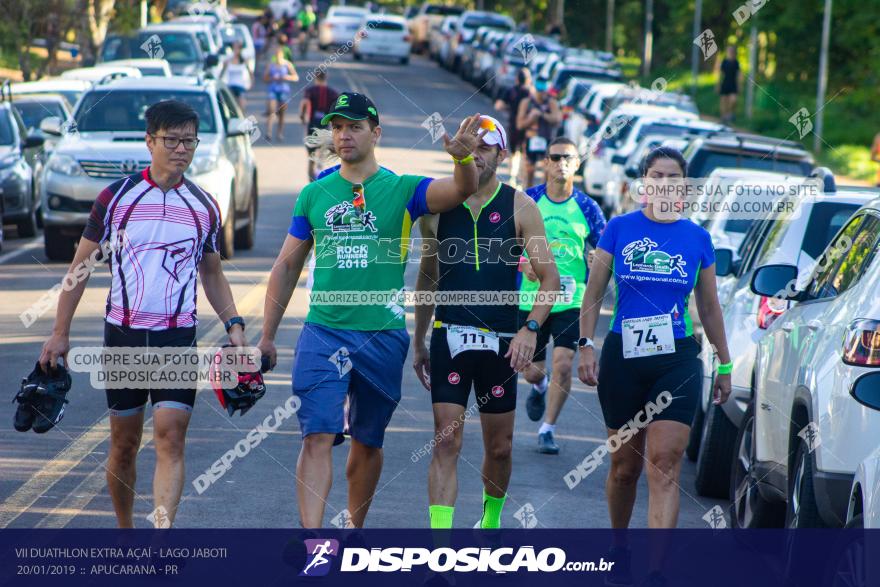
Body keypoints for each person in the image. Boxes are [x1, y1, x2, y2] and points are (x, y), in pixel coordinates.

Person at [257, 93, 486, 528]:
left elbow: (462, 190)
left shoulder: (403, 190)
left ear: (375, 133)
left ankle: (354, 532)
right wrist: (266, 337)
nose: (344, 135)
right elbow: (286, 268)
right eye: (338, 126)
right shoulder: (314, 193)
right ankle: (314, 542)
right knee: (318, 434)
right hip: (324, 331)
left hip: (382, 336)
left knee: (367, 442)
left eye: (355, 126)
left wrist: (462, 160)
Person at [37, 100, 246, 528]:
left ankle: (161, 539)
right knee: (125, 443)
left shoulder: (204, 205)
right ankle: (126, 531)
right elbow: (79, 268)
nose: (182, 149)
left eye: (189, 140)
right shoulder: (116, 198)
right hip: (125, 336)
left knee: (170, 438)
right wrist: (60, 332)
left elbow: (211, 272)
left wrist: (235, 325)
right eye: (172, 140)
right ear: (150, 141)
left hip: (177, 338)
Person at [577, 147, 731, 584]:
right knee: (625, 467)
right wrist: (585, 345)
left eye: (674, 177)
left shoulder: (697, 238)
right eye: (657, 175)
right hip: (625, 356)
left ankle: (657, 571)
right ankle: (619, 548)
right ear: (645, 182)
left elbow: (711, 307)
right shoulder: (620, 229)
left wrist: (724, 363)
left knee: (664, 462)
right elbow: (593, 293)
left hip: (677, 358)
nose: (665, 183)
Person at [414, 115, 560, 529]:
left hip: (502, 342)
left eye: (485, 149)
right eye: (469, 146)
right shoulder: (438, 206)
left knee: (500, 446)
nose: (475, 156)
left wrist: (530, 329)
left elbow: (549, 278)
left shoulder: (521, 206)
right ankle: (440, 550)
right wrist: (419, 340)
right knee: (447, 440)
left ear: (502, 154)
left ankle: (490, 523)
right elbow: (428, 276)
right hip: (450, 335)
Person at [519, 137, 606, 454]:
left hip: (572, 298)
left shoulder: (587, 207)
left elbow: (603, 247)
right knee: (531, 370)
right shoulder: (528, 200)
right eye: (555, 158)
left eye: (568, 158)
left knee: (564, 362)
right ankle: (539, 387)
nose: (561, 163)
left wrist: (598, 258)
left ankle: (548, 429)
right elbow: (504, 243)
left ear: (577, 164)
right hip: (533, 298)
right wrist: (523, 261)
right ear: (545, 162)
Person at [516, 79, 561, 188]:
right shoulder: (526, 102)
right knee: (529, 170)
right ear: (534, 89)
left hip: (546, 139)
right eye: (539, 91)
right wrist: (531, 118)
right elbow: (520, 125)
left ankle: (543, 195)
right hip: (531, 139)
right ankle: (527, 194)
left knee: (547, 171)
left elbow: (557, 120)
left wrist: (542, 114)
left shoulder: (551, 103)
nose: (542, 94)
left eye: (544, 91)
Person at [494, 67, 532, 188]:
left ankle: (512, 177)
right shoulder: (530, 92)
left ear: (516, 79)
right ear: (528, 79)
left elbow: (498, 106)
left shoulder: (511, 91)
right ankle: (521, 179)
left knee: (514, 152)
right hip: (527, 126)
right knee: (524, 152)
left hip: (513, 125)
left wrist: (509, 108)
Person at [300, 69, 340, 181]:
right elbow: (337, 107)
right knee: (322, 153)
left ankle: (311, 180)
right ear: (326, 77)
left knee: (311, 156)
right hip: (325, 126)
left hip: (312, 125)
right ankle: (319, 171)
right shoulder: (332, 92)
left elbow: (304, 103)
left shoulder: (310, 90)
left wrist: (302, 116)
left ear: (315, 77)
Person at [264, 43, 299, 141]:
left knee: (282, 113)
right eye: (276, 55)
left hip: (284, 91)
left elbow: (296, 77)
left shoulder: (287, 64)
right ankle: (269, 132)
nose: (278, 56)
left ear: (282, 55)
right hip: (273, 90)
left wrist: (286, 77)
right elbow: (265, 78)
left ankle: (280, 133)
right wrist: (271, 78)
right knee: (272, 111)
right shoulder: (271, 65)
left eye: (279, 54)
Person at [221, 41, 252, 110]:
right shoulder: (228, 60)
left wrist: (250, 83)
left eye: (238, 48)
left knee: (242, 106)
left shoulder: (244, 60)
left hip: (241, 86)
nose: (236, 50)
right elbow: (222, 73)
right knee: (231, 108)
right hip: (231, 86)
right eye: (235, 48)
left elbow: (250, 73)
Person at [718, 46, 741, 124]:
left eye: (732, 51)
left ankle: (729, 114)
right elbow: (720, 74)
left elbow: (738, 74)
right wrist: (718, 84)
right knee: (724, 101)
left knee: (733, 100)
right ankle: (723, 117)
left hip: (733, 84)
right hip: (725, 83)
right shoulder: (724, 62)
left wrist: (739, 85)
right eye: (729, 51)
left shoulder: (736, 62)